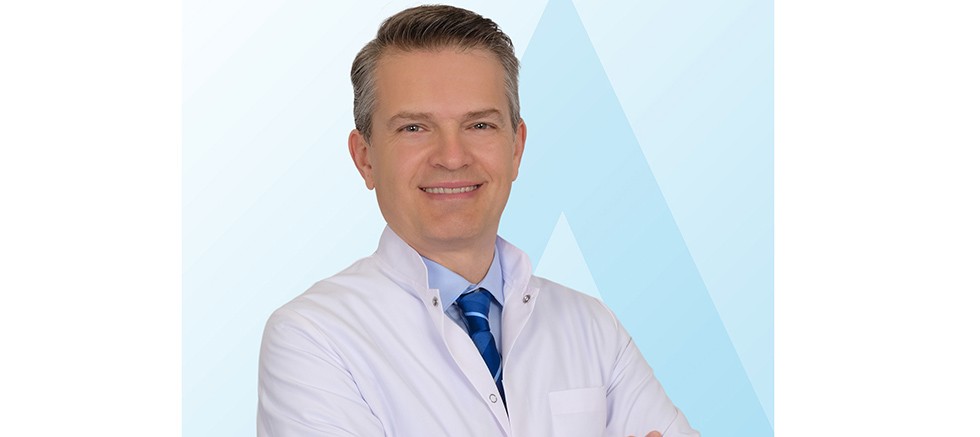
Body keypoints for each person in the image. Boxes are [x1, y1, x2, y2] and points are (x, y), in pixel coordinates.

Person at [257, 5, 698, 436]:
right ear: (365, 158)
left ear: (516, 148)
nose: (452, 157)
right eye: (414, 128)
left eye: (480, 125)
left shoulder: (592, 327)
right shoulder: (312, 337)